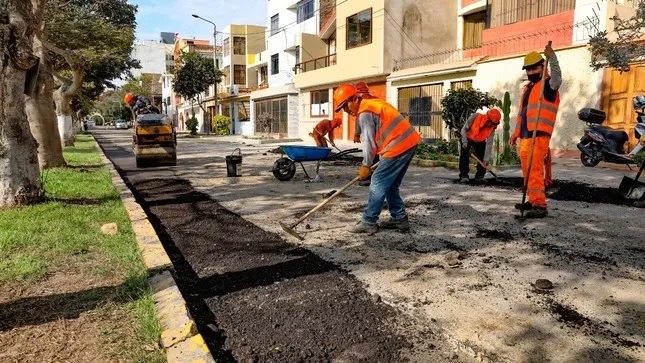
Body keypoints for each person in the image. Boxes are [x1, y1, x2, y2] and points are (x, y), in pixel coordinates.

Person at [333, 83, 421, 234]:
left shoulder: (365, 112)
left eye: (346, 107)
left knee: (378, 181)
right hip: (408, 142)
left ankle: (369, 221)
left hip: (398, 145)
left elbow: (369, 143)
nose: (346, 111)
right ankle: (399, 219)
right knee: (390, 185)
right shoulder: (371, 104)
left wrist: (366, 165)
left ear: (354, 99)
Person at [510, 43, 562, 218]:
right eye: (528, 70)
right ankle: (532, 199)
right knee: (527, 170)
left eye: (534, 69)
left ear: (542, 66)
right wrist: (515, 134)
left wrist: (553, 58)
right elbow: (522, 114)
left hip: (538, 135)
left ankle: (540, 205)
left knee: (535, 170)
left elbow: (557, 80)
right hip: (526, 135)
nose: (531, 72)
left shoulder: (548, 85)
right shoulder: (528, 88)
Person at [459, 108, 501, 183]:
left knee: (483, 157)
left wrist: (486, 160)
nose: (493, 126)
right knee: (464, 156)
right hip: (468, 138)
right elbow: (464, 129)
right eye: (492, 123)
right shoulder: (475, 117)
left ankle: (480, 176)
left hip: (480, 141)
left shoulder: (492, 128)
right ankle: (464, 176)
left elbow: (489, 143)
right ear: (487, 120)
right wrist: (464, 141)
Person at [353, 82, 379, 186]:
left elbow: (358, 118)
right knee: (375, 152)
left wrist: (366, 165)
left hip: (377, 132)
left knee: (370, 150)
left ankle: (369, 176)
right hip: (381, 132)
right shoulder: (375, 100)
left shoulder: (361, 103)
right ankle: (372, 174)